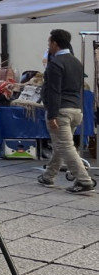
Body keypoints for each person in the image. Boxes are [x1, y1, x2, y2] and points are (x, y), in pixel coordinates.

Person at [38, 29, 94, 192]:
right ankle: (48, 176)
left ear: (55, 43)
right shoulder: (77, 62)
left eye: (49, 43)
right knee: (60, 145)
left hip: (61, 110)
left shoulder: (56, 64)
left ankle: (84, 180)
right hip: (76, 109)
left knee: (66, 146)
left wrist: (52, 115)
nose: (48, 46)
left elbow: (54, 91)